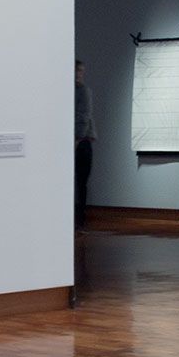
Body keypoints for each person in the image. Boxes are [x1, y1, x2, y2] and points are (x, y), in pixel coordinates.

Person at [74, 60, 97, 230]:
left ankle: (79, 219)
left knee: (81, 182)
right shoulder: (73, 91)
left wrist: (78, 138)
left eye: (81, 71)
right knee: (78, 182)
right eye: (77, 70)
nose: (79, 74)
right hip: (78, 140)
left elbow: (84, 117)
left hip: (81, 142)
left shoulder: (83, 91)